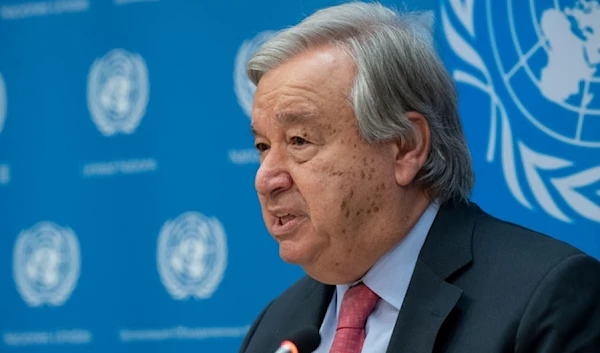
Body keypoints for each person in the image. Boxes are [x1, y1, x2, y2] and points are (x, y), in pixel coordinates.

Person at [239, 2, 600, 352]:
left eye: (299, 140)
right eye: (262, 146)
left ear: (405, 147)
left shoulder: (543, 300)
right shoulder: (275, 328)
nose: (266, 179)